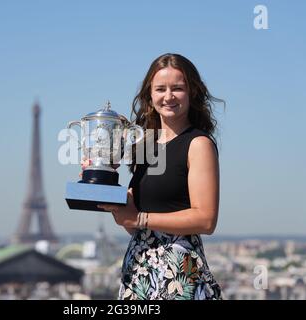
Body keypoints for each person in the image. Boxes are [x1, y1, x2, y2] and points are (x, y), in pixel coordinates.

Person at [87, 53, 223, 300]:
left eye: (177, 88)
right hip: (140, 274)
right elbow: (136, 225)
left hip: (178, 277)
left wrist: (140, 218)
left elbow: (206, 220)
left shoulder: (198, 144)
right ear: (150, 95)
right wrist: (101, 175)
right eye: (160, 88)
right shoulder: (145, 145)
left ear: (192, 93)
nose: (168, 96)